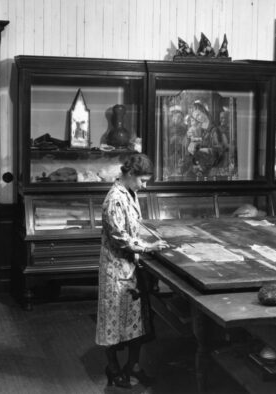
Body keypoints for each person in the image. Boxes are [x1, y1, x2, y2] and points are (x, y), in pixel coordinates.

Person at [96, 153, 170, 388]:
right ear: (129, 174)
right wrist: (149, 246)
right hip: (116, 269)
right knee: (114, 321)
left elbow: (134, 225)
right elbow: (120, 237)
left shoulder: (131, 192)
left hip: (131, 266)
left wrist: (151, 238)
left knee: (136, 321)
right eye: (142, 180)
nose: (144, 186)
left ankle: (134, 366)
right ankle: (114, 367)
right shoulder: (114, 198)